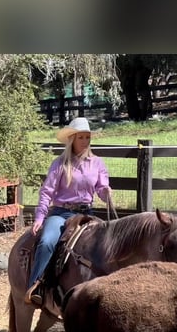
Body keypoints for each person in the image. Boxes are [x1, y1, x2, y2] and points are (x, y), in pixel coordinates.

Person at [25, 117, 112, 306]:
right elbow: (47, 191)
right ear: (72, 139)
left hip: (87, 213)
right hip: (61, 213)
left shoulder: (97, 163)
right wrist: (40, 217)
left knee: (107, 242)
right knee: (47, 241)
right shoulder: (60, 163)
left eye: (88, 137)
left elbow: (102, 189)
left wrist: (106, 192)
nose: (85, 141)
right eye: (81, 137)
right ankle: (36, 285)